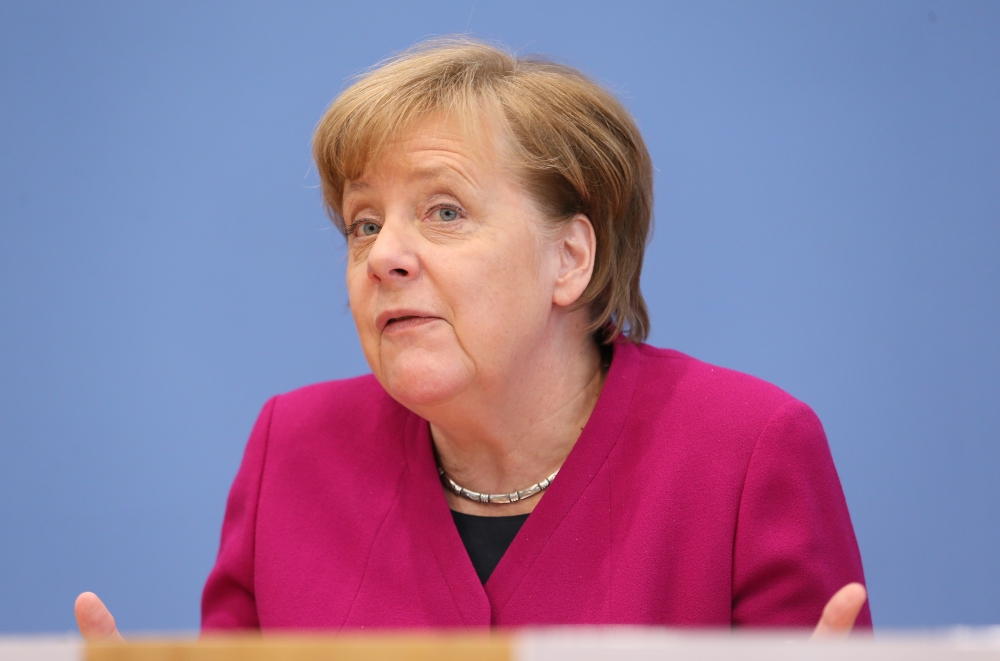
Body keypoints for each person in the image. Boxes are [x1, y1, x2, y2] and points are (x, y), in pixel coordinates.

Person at [75, 37, 870, 637]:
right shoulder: (291, 453)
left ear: (570, 258)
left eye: (444, 211)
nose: (383, 255)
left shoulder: (747, 453)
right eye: (363, 222)